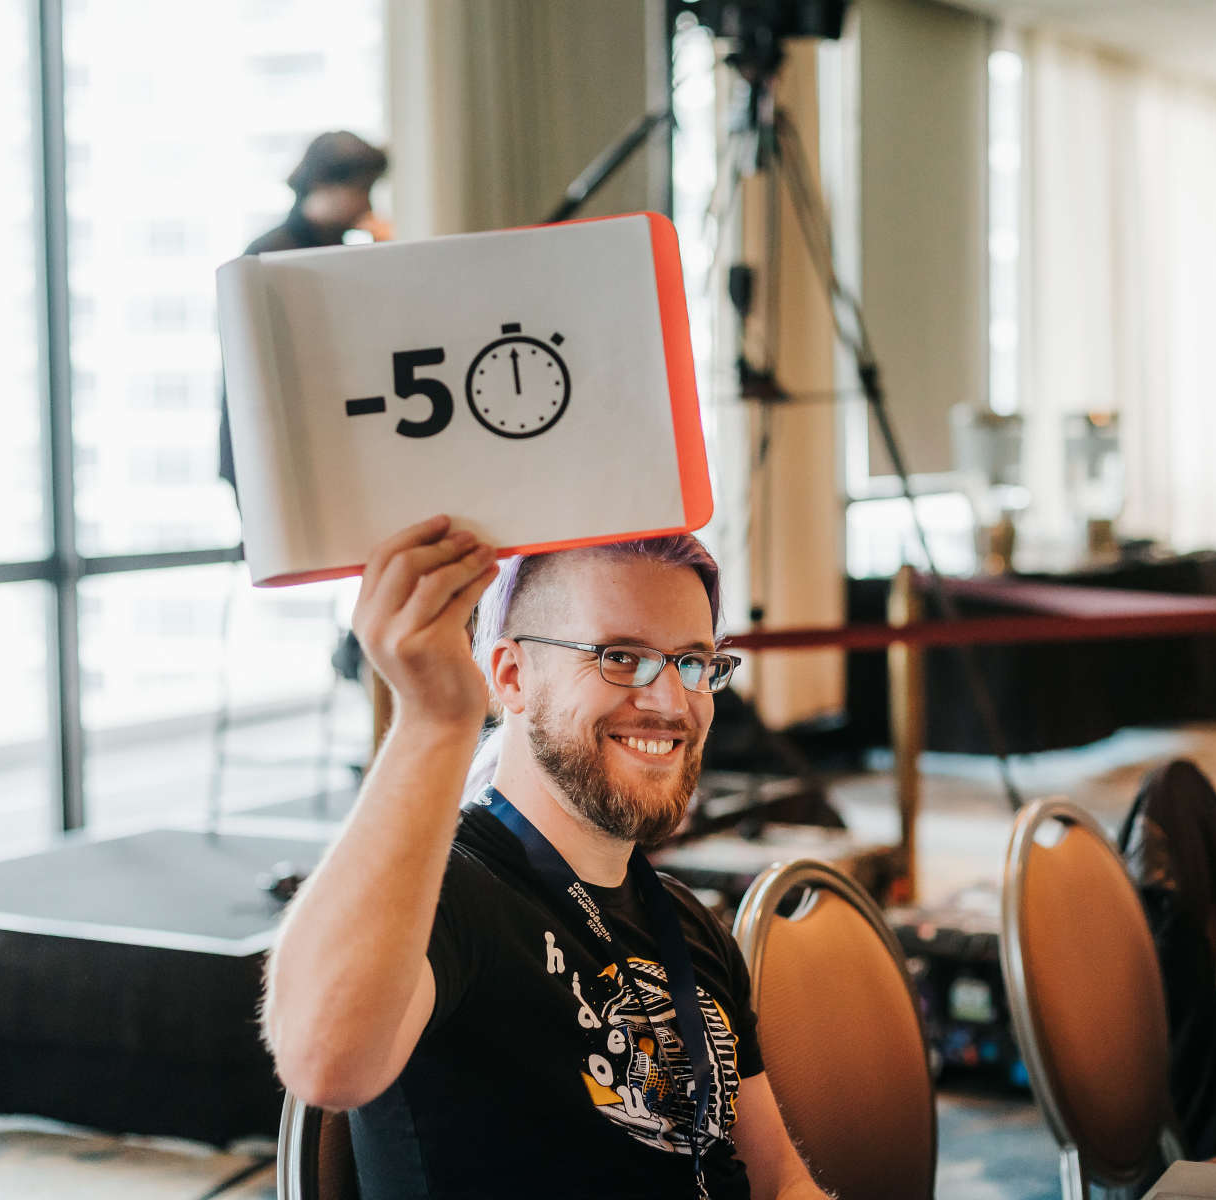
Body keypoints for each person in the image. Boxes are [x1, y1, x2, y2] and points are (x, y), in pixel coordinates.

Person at [263, 517, 829, 1198]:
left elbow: (779, 1182)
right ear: (511, 675)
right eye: (621, 657)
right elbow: (324, 1062)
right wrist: (434, 719)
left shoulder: (687, 923)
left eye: (693, 663)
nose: (671, 701)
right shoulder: (445, 895)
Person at [217, 130, 391, 496]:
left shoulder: (341, 250)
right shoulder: (270, 254)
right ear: (322, 184)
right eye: (361, 189)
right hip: (269, 445)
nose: (366, 203)